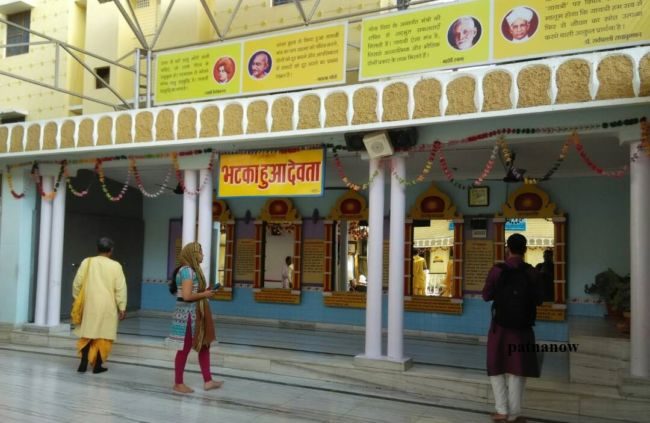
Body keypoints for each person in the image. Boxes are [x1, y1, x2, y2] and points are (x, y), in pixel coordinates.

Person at [482, 234, 543, 422]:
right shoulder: (532, 272)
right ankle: (515, 414)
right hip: (523, 329)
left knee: (496, 366)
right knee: (518, 369)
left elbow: (486, 295)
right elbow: (539, 299)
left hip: (499, 328)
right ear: (525, 250)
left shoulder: (497, 270)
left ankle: (501, 411)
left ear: (507, 248)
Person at [168, 242, 223, 394]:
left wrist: (206, 291)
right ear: (192, 254)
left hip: (196, 314)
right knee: (184, 349)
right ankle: (178, 383)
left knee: (204, 345)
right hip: (188, 316)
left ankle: (208, 381)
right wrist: (205, 294)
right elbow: (187, 296)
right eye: (200, 252)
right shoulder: (187, 271)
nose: (202, 255)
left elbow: (192, 292)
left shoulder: (192, 270)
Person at [72, 237, 127, 374]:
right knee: (103, 335)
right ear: (111, 250)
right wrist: (122, 307)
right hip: (107, 306)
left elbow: (77, 283)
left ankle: (83, 363)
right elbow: (120, 288)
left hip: (89, 304)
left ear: (97, 249)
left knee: (87, 334)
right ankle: (97, 366)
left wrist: (78, 299)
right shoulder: (116, 266)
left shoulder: (87, 262)